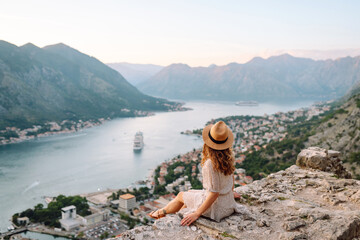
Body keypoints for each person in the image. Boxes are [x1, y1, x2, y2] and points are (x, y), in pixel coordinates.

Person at [148, 121, 245, 226]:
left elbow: (214, 193)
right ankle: (172, 215)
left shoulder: (210, 164)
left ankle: (160, 213)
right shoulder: (229, 157)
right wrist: (229, 193)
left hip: (216, 210)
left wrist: (197, 213)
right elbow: (231, 177)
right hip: (228, 204)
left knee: (181, 195)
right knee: (190, 192)